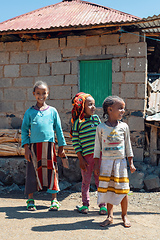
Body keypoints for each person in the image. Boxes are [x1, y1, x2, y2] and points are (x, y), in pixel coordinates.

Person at [21, 80, 66, 211]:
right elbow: (24, 130)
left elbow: (58, 129)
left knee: (52, 171)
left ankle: (54, 200)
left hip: (49, 146)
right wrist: (26, 148)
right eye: (38, 93)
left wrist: (61, 146)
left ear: (48, 94)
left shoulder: (52, 111)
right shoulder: (29, 112)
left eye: (44, 93)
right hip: (34, 148)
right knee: (32, 172)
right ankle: (30, 199)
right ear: (34, 94)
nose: (41, 96)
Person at [94, 95, 136, 227]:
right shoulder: (101, 128)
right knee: (108, 190)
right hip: (106, 163)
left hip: (120, 163)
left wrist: (131, 163)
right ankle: (110, 216)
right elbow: (97, 148)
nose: (123, 111)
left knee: (123, 190)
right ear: (110, 109)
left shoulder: (124, 127)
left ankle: (124, 216)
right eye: (120, 108)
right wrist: (96, 165)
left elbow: (128, 146)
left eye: (123, 108)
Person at [71, 92, 107, 214]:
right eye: (90, 104)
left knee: (100, 181)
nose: (93, 107)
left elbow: (102, 136)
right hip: (86, 159)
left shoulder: (96, 119)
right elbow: (76, 141)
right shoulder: (78, 123)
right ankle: (85, 205)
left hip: (99, 157)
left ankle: (102, 205)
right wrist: (80, 159)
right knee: (85, 181)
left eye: (94, 104)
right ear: (82, 107)